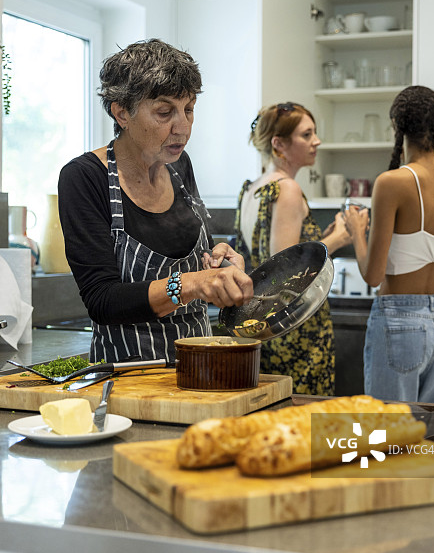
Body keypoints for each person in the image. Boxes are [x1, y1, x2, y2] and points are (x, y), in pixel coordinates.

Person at [58, 38, 253, 363]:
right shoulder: (84, 177)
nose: (184, 127)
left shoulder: (180, 164)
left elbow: (195, 255)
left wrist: (221, 263)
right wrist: (192, 284)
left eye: (189, 109)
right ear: (122, 113)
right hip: (128, 379)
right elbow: (103, 301)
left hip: (198, 367)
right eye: (165, 112)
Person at [343, 85, 434, 404]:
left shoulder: (392, 182)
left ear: (397, 126)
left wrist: (356, 232)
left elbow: (373, 276)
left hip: (398, 322)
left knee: (390, 440)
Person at [234, 101, 351, 396]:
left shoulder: (253, 188)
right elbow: (285, 270)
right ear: (279, 144)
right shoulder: (287, 189)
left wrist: (320, 240)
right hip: (294, 328)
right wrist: (338, 238)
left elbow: (272, 255)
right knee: (302, 420)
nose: (317, 141)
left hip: (265, 325)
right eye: (307, 135)